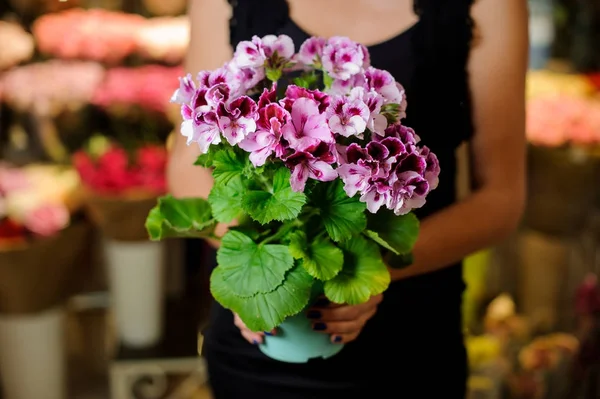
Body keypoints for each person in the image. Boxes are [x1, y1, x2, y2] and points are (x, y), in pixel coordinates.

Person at [168, 0, 528, 397]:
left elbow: (501, 199)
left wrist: (370, 272)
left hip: (411, 345)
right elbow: (189, 163)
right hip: (259, 346)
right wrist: (261, 277)